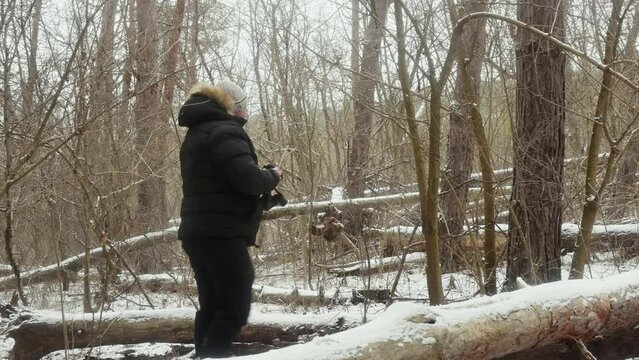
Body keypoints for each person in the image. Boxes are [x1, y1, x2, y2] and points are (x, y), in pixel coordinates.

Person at [177, 81, 283, 358]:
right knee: (235, 307)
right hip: (220, 233)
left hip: (198, 231)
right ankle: (214, 355)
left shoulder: (198, 132)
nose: (247, 111)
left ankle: (204, 354)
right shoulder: (225, 131)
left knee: (212, 305)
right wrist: (272, 175)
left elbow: (222, 182)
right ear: (234, 108)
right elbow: (248, 179)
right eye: (244, 106)